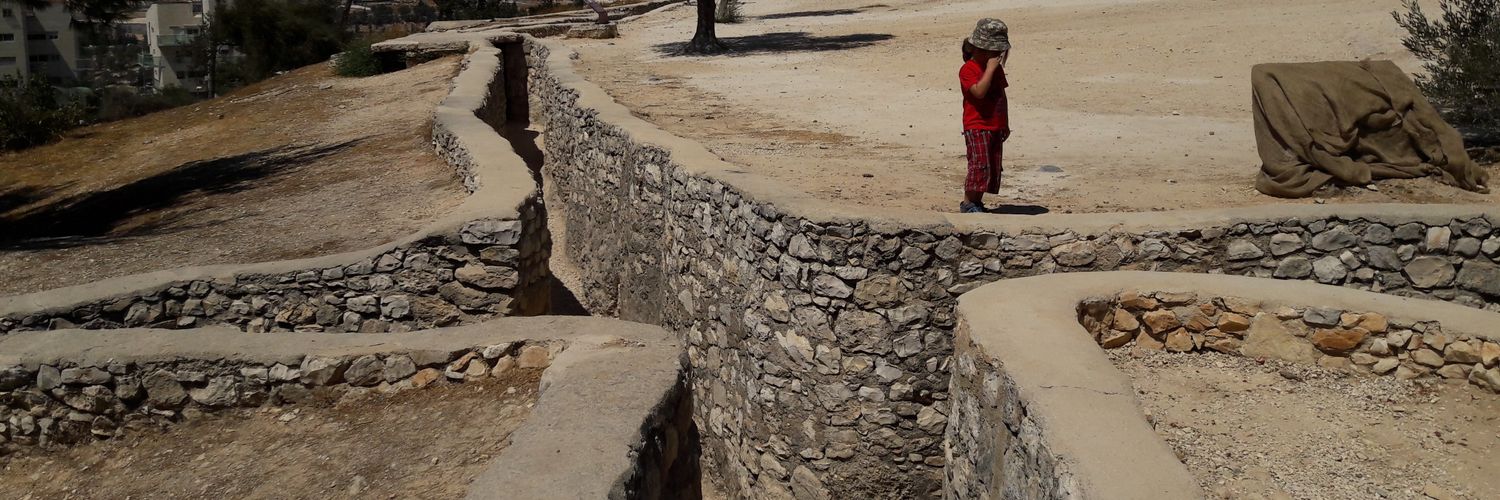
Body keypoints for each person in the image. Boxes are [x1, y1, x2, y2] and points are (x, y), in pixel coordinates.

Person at [958, 18, 1011, 214]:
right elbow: (978, 92)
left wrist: (1005, 122)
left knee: (990, 166)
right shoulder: (968, 70)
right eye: (994, 52)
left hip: (994, 124)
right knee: (978, 165)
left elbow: (1001, 95)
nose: (997, 56)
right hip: (977, 124)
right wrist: (989, 70)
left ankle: (977, 202)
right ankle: (968, 203)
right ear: (978, 48)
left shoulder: (996, 71)